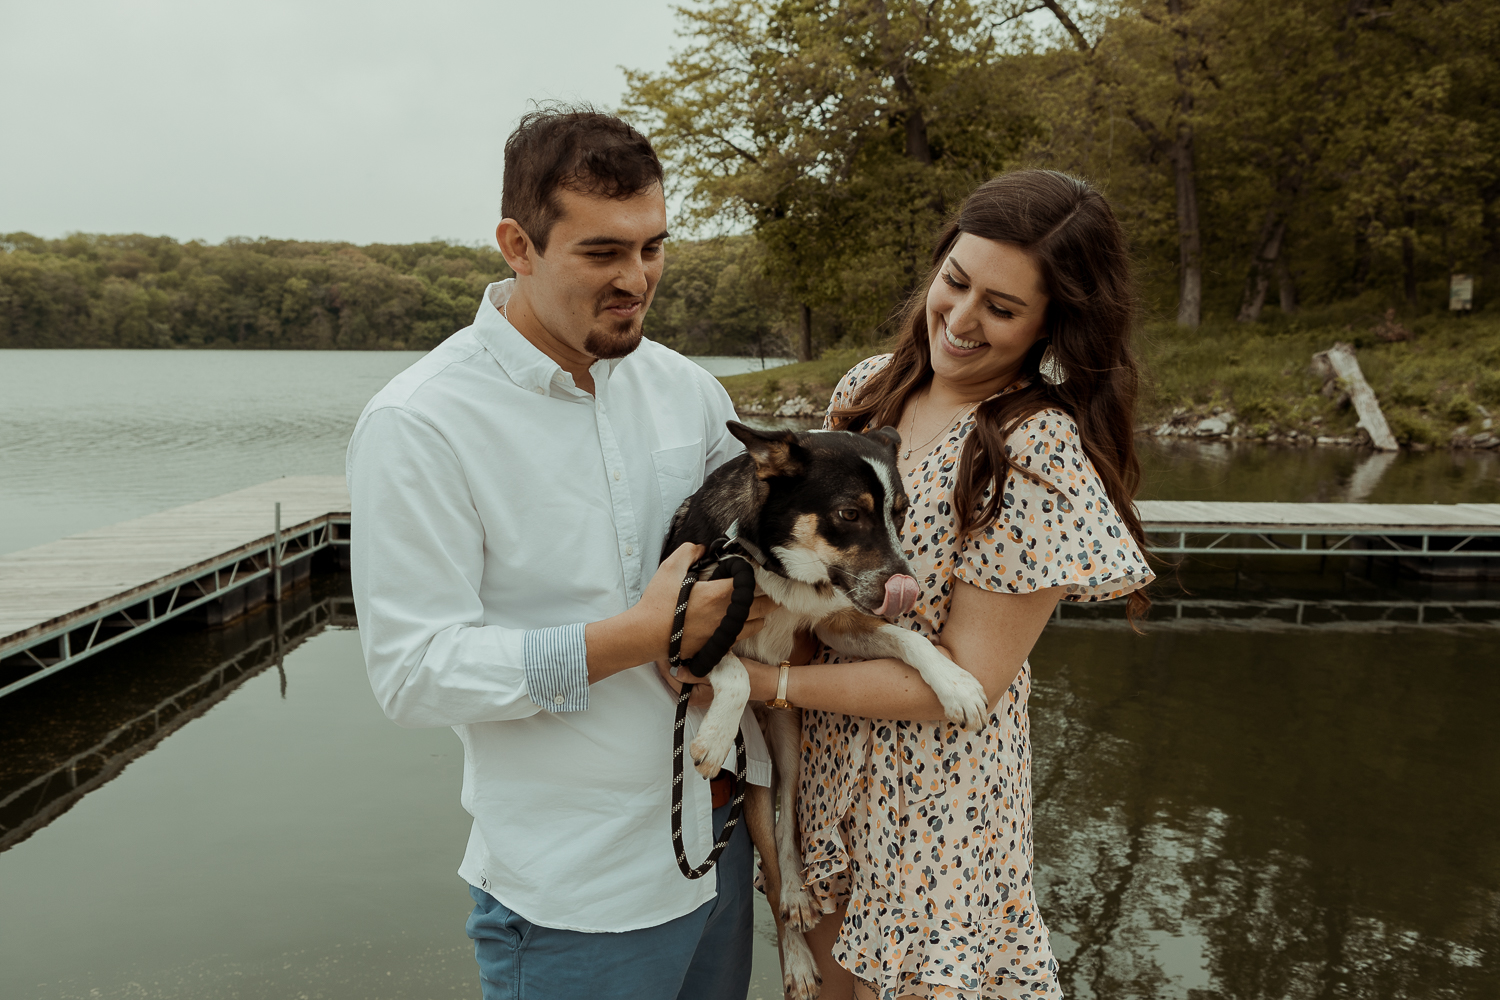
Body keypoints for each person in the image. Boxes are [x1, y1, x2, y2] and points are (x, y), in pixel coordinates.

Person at [346, 108, 778, 1000]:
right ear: (518, 245)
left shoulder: (688, 389)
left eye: (654, 247)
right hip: (574, 901)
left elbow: (756, 560)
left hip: (717, 850)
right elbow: (413, 673)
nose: (637, 279)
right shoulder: (420, 423)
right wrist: (637, 635)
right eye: (603, 253)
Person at [738, 170, 1155, 999]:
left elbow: (970, 681)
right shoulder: (864, 391)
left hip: (934, 807)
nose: (960, 321)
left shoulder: (1034, 449)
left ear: (1052, 324)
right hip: (820, 775)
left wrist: (765, 682)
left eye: (1000, 309)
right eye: (955, 283)